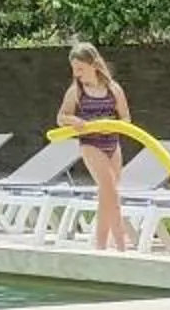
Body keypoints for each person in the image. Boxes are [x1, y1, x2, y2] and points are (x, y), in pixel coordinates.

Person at [57, 41, 135, 252]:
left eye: (80, 68)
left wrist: (114, 127)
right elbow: (61, 117)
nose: (77, 73)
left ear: (93, 64)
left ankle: (100, 245)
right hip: (91, 144)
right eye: (74, 69)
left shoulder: (113, 89)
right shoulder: (76, 91)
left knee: (107, 194)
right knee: (110, 190)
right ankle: (121, 245)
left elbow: (126, 118)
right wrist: (74, 121)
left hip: (112, 143)